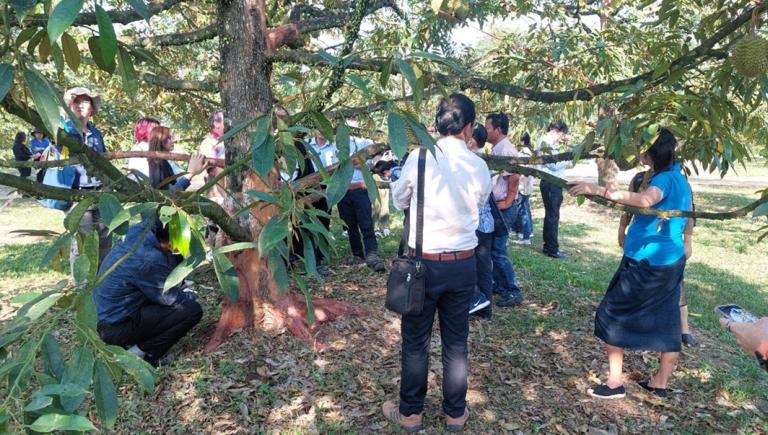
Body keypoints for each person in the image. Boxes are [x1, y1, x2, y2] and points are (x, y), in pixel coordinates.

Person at [384, 93, 491, 432]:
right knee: (456, 342)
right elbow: (481, 199)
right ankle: (455, 415)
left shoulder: (418, 157)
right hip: (462, 265)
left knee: (416, 342)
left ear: (438, 124)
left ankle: (411, 414)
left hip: (422, 266)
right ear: (469, 127)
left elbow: (399, 199)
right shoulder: (479, 165)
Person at [568, 128, 691, 399]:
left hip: (648, 263)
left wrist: (598, 190)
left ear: (654, 152)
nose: (640, 153)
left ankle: (614, 384)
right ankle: (660, 383)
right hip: (670, 261)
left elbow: (645, 200)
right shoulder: (678, 177)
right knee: (668, 318)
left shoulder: (667, 179)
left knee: (612, 314)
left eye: (644, 148)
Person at [93, 219, 203, 367]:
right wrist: (188, 294)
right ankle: (143, 352)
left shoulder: (142, 229)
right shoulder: (148, 259)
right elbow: (171, 298)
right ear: (168, 242)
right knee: (191, 310)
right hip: (116, 327)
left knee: (175, 258)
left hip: (112, 313)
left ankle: (138, 343)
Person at [618, 156, 697, 347]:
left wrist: (688, 241)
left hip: (668, 245)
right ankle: (636, 325)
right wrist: (622, 230)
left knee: (676, 286)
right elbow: (628, 207)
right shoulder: (639, 179)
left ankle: (683, 329)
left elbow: (689, 213)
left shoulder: (678, 180)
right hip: (641, 243)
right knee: (634, 284)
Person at [62, 87, 111, 265]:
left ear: (91, 107)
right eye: (76, 101)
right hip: (77, 194)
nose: (80, 105)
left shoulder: (96, 133)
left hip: (100, 193)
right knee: (83, 244)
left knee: (105, 240)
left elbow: (103, 162)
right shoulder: (63, 130)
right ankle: (83, 287)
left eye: (85, 101)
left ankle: (102, 283)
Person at [485, 113, 524, 307]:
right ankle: (500, 285)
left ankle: (512, 290)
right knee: (494, 250)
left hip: (504, 206)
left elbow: (514, 177)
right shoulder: (496, 148)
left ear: (498, 130)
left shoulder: (506, 150)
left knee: (499, 251)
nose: (485, 131)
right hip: (496, 204)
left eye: (488, 128)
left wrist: (508, 201)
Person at [467, 124, 496, 319]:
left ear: (470, 140)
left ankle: (479, 303)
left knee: (471, 265)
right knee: (483, 266)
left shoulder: (471, 161)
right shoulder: (486, 161)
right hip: (486, 223)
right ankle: (484, 307)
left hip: (474, 223)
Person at [536, 121, 571, 259]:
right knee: (552, 216)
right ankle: (552, 249)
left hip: (553, 183)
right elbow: (554, 165)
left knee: (551, 215)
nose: (561, 137)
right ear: (557, 131)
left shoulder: (550, 144)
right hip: (551, 183)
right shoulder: (545, 143)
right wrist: (568, 158)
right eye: (562, 134)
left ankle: (548, 246)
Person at [147, 126, 209, 191]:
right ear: (160, 140)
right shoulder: (158, 163)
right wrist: (190, 173)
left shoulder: (162, 161)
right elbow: (170, 194)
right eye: (168, 138)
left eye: (171, 138)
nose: (172, 141)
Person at [198, 109, 227, 203]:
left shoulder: (228, 141)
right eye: (224, 120)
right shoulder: (208, 143)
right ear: (216, 124)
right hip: (218, 194)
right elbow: (211, 169)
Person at [513, 132, 534, 245]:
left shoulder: (524, 153)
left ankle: (526, 236)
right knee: (525, 209)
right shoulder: (530, 152)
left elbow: (524, 171)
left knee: (522, 211)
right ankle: (527, 232)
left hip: (523, 186)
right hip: (527, 186)